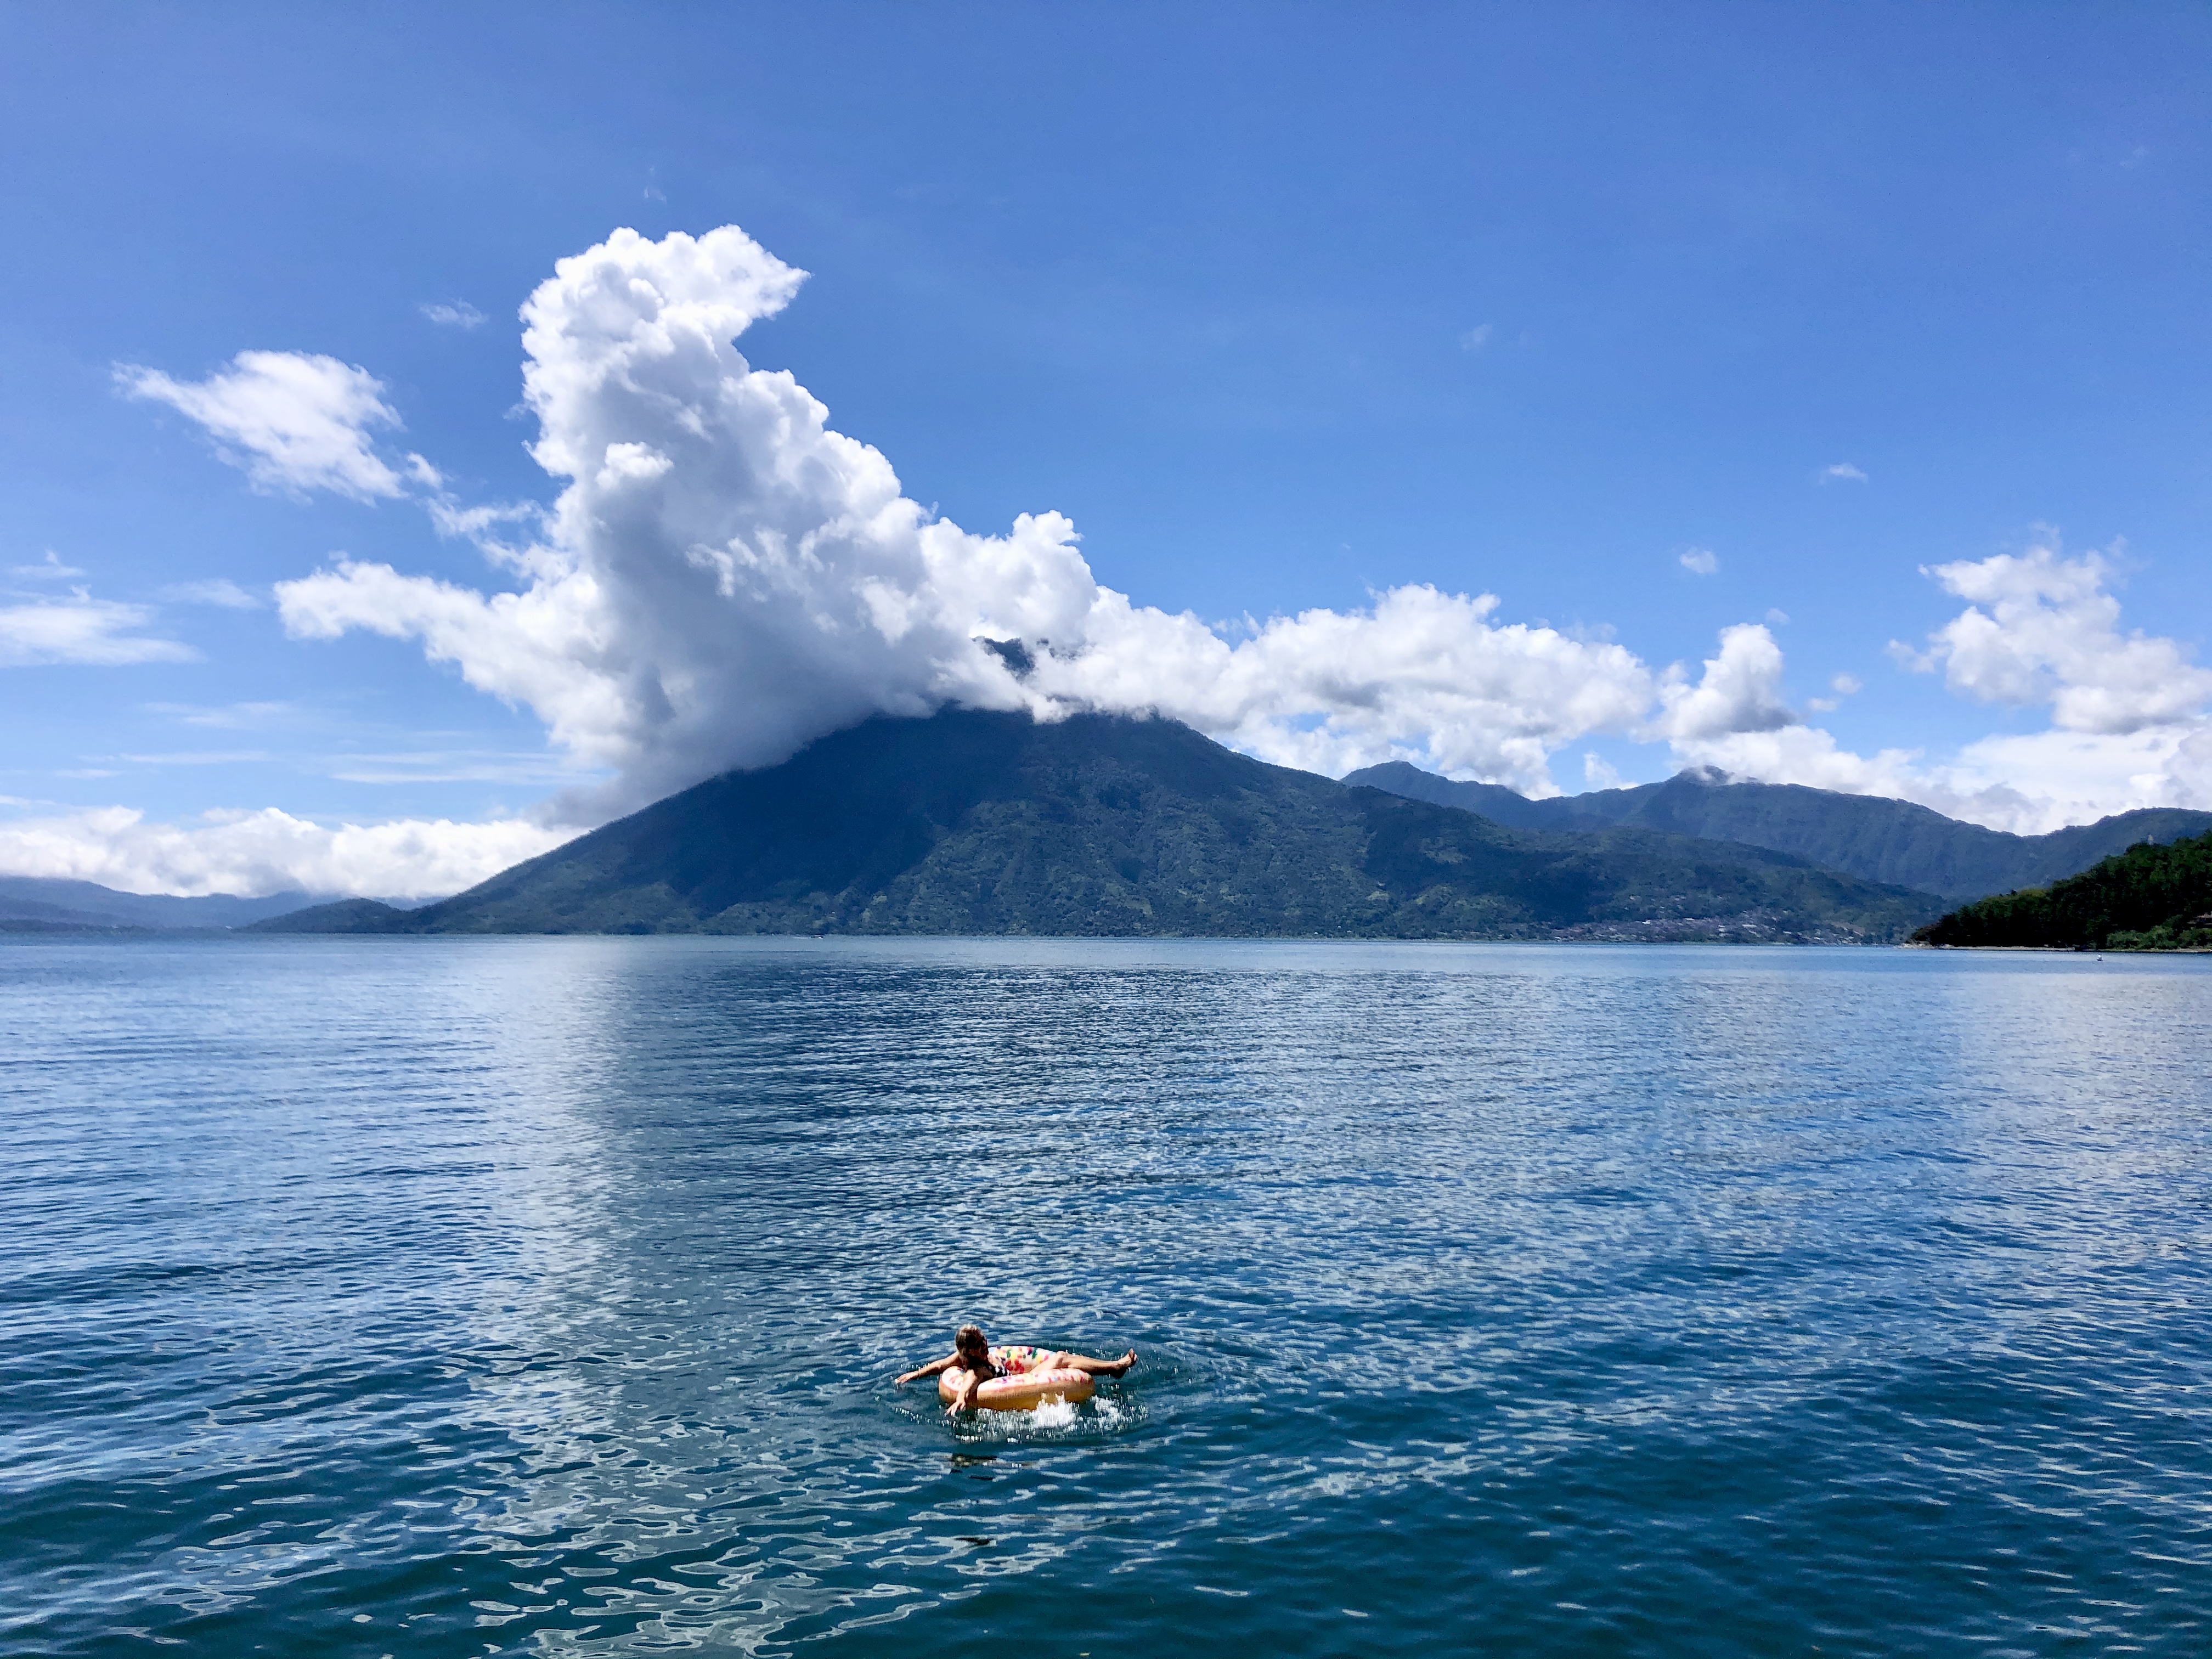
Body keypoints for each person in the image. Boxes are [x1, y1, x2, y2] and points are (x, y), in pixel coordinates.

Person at [896, 1324, 1137, 1415]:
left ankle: (1113, 1368)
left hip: (1025, 1379)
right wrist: (960, 1399)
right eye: (980, 1344)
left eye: (984, 1339)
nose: (985, 1344)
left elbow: (939, 1365)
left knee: (1062, 1357)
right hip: (1027, 1384)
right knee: (1062, 1358)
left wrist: (915, 1374)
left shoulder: (970, 1356)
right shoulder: (977, 1367)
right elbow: (970, 1380)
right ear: (969, 1352)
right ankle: (1115, 1368)